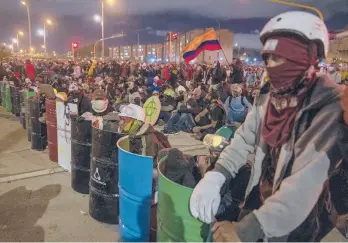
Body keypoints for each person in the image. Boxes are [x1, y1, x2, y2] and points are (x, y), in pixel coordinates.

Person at [190, 11, 344, 242]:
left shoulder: (330, 106)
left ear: (308, 56)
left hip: (300, 224)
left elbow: (304, 186)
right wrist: (218, 175)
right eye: (267, 58)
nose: (271, 65)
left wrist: (245, 230)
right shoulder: (271, 96)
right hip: (261, 197)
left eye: (279, 57)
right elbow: (244, 138)